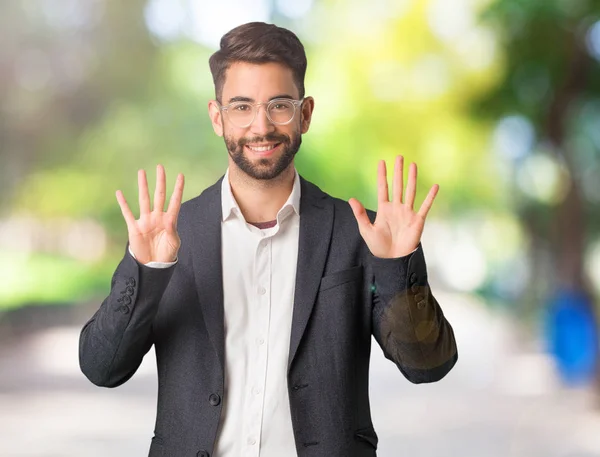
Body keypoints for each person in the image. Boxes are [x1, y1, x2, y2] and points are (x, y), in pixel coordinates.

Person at [79, 21, 458, 457]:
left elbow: (427, 366)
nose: (261, 126)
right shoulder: (171, 236)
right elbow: (102, 367)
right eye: (241, 107)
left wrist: (396, 268)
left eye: (279, 105)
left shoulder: (361, 234)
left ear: (306, 114)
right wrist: (147, 272)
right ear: (217, 117)